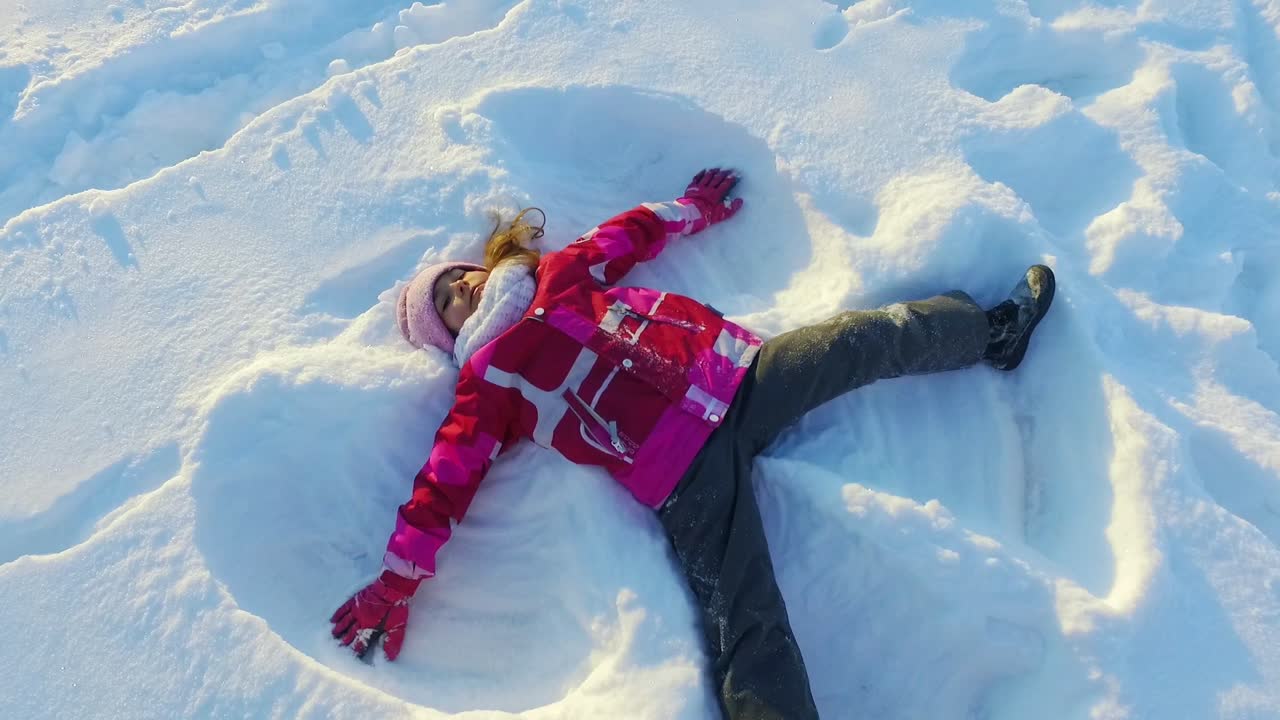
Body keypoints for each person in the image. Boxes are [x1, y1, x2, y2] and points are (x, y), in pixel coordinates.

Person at [329, 168, 1056, 719]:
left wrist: (691, 209)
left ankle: (991, 333)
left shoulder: (554, 274)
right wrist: (397, 579)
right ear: (452, 338)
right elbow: (444, 481)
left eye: (458, 277)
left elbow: (621, 236)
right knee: (744, 614)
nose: (462, 288)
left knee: (858, 341)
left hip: (738, 376)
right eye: (449, 303)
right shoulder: (487, 385)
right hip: (682, 477)